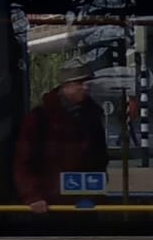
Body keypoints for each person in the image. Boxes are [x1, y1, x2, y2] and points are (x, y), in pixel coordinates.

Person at [12, 59, 109, 213]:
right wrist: (33, 196)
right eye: (80, 83)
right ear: (66, 86)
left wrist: (96, 195)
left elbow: (100, 159)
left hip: (85, 201)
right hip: (49, 204)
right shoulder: (40, 118)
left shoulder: (92, 116)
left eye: (87, 83)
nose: (85, 88)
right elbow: (23, 161)